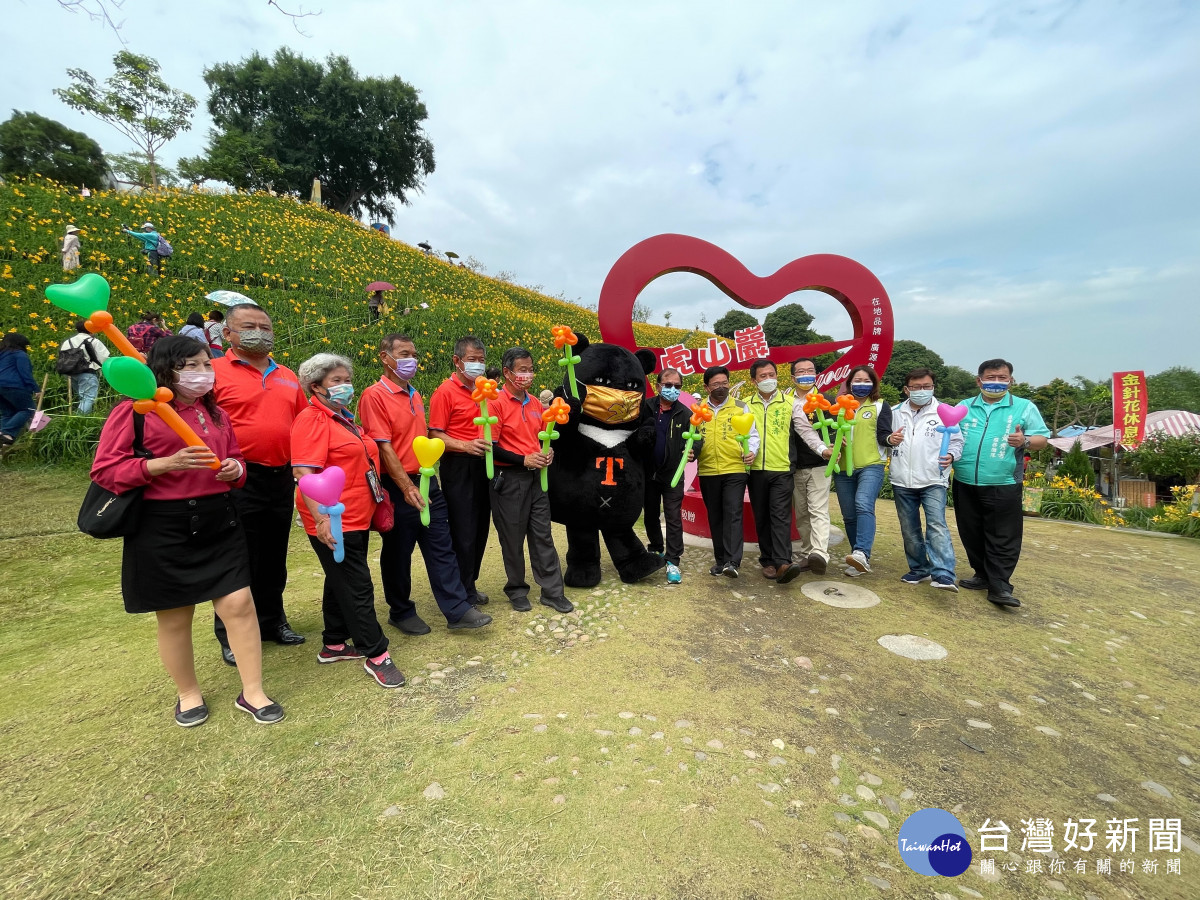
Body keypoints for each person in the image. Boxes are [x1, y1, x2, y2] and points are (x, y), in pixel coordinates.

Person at [90, 336, 284, 726]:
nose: (201, 374)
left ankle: (252, 691)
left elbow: (237, 460)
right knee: (175, 616)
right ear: (164, 369)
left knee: (239, 605)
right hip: (162, 524)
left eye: (205, 365)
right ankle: (188, 693)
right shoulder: (136, 412)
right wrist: (165, 465)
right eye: (189, 366)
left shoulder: (214, 414)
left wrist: (235, 470)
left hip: (219, 519)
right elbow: (106, 471)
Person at [358, 334, 492, 633]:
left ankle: (457, 609)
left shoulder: (414, 394)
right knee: (399, 551)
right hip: (397, 484)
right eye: (404, 354)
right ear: (385, 357)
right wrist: (406, 487)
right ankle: (401, 610)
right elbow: (384, 447)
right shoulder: (374, 395)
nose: (412, 360)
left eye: (414, 354)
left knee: (441, 545)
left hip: (428, 479)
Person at [292, 353, 405, 688]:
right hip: (333, 519)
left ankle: (334, 643)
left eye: (346, 380)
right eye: (336, 381)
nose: (345, 387)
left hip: (356, 514)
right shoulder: (312, 420)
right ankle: (376, 654)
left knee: (339, 577)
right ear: (316, 386)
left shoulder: (344, 418)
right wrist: (321, 520)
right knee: (357, 585)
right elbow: (303, 472)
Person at [210, 304, 309, 665]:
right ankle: (230, 633)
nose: (259, 332)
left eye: (265, 326)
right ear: (228, 334)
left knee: (273, 555)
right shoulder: (214, 371)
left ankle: (273, 621)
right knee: (237, 557)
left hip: (280, 476)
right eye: (248, 326)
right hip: (236, 477)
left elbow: (302, 423)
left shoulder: (286, 375)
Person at [952, 359, 1050, 608]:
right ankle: (981, 575)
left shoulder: (1023, 407)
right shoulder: (964, 407)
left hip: (1003, 482)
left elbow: (1042, 439)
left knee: (1003, 535)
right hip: (965, 480)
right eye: (990, 377)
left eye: (1002, 378)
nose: (996, 382)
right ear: (979, 380)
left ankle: (1000, 585)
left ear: (1011, 381)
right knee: (971, 532)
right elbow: (949, 434)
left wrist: (1024, 441)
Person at [489, 347, 573, 613]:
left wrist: (548, 450)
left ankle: (552, 591)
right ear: (507, 372)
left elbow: (541, 437)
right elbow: (489, 446)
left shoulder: (536, 403)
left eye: (530, 369)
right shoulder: (494, 402)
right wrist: (522, 459)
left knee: (542, 535)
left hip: (537, 479)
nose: (528, 375)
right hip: (509, 479)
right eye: (522, 370)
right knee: (512, 538)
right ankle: (516, 588)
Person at [428, 336, 493, 606]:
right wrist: (465, 445)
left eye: (481, 360)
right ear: (457, 361)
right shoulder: (445, 392)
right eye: (472, 360)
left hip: (484, 464)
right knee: (463, 530)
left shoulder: (487, 390)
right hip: (459, 464)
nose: (477, 365)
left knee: (480, 529)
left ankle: (471, 582)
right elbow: (434, 433)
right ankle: (461, 589)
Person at [887, 367, 963, 592]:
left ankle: (943, 573)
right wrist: (890, 439)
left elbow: (957, 442)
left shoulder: (944, 412)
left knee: (936, 525)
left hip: (933, 479)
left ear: (933, 387)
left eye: (926, 387)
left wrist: (951, 456)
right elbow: (883, 440)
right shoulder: (894, 412)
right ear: (906, 389)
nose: (921, 390)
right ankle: (919, 568)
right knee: (909, 528)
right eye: (916, 387)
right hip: (902, 479)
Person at [694, 365, 759, 578]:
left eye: (724, 383)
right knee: (715, 516)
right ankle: (720, 560)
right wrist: (691, 453)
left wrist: (753, 452)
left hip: (735, 469)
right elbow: (693, 438)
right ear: (706, 387)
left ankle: (732, 561)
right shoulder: (699, 410)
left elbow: (753, 434)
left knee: (732, 513)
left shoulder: (741, 407)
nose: (721, 388)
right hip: (708, 469)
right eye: (715, 384)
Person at [745, 359, 804, 583]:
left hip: (782, 468)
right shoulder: (745, 405)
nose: (768, 379)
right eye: (763, 376)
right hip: (756, 469)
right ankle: (767, 560)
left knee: (780, 515)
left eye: (772, 374)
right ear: (753, 381)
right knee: (762, 516)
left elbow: (805, 431)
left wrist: (822, 448)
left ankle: (783, 562)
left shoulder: (790, 403)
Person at [832, 366, 892, 577]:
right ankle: (857, 559)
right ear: (849, 383)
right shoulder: (839, 406)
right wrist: (835, 439)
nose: (861, 384)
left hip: (871, 465)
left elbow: (884, 434)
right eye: (857, 380)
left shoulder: (880, 406)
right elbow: (831, 431)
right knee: (849, 515)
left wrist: (890, 440)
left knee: (863, 504)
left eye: (866, 381)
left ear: (873, 384)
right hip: (844, 469)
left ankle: (861, 552)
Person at [640, 367, 694, 584]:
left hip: (673, 475)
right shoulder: (645, 407)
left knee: (673, 517)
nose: (672, 389)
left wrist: (693, 451)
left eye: (677, 386)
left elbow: (697, 439)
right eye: (668, 385)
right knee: (650, 514)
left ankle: (673, 560)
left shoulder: (686, 413)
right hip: (647, 473)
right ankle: (655, 549)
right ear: (658, 385)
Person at [788, 358, 835, 575]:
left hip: (819, 464)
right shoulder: (787, 402)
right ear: (792, 377)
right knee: (802, 512)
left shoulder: (827, 401)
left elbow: (836, 429)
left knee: (817, 509)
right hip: (796, 466)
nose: (806, 374)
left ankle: (820, 553)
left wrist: (833, 443)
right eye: (801, 371)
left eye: (810, 370)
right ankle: (808, 553)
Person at [59, 319, 109, 414]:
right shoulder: (93, 341)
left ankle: (83, 416)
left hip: (69, 373)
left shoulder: (68, 341)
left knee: (82, 397)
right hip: (87, 372)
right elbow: (104, 358)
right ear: (90, 329)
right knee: (88, 397)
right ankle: (79, 419)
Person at [0, 333, 41, 448]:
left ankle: (2, 436)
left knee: (7, 413)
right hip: (14, 385)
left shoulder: (2, 354)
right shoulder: (19, 354)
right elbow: (25, 373)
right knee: (28, 409)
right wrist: (36, 389)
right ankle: (7, 433)